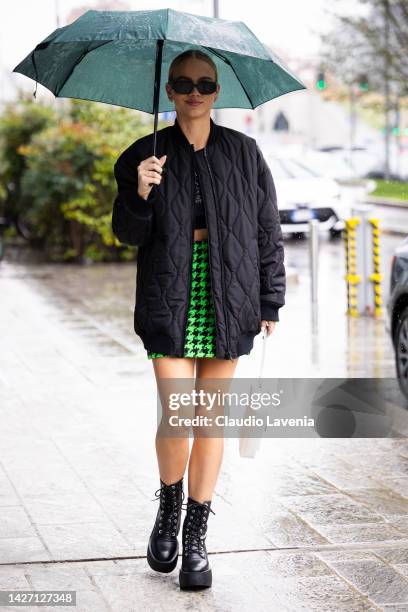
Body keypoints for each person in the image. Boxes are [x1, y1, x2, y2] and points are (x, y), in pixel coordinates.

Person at [112, 49, 286, 590]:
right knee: (177, 414)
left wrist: (269, 301)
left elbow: (266, 230)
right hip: (170, 292)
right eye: (184, 83)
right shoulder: (144, 154)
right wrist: (140, 191)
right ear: (169, 91)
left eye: (205, 83)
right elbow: (127, 234)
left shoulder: (245, 151)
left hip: (229, 294)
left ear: (217, 92)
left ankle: (195, 537)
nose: (195, 91)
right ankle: (168, 508)